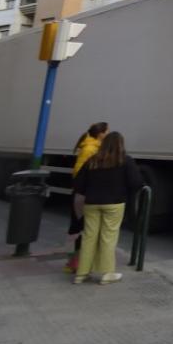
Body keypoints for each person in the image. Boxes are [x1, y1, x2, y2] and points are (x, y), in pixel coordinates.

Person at [73, 131, 143, 285]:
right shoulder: (125, 160)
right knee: (108, 237)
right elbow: (136, 182)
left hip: (91, 203)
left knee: (89, 237)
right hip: (114, 203)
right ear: (121, 145)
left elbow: (78, 184)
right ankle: (107, 273)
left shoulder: (93, 160)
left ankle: (81, 274)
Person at [64, 122, 108, 274]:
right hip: (82, 195)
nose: (107, 134)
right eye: (106, 131)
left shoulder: (94, 148)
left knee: (80, 228)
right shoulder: (90, 149)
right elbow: (79, 172)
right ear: (100, 133)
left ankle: (76, 262)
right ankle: (73, 262)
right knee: (79, 228)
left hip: (83, 193)